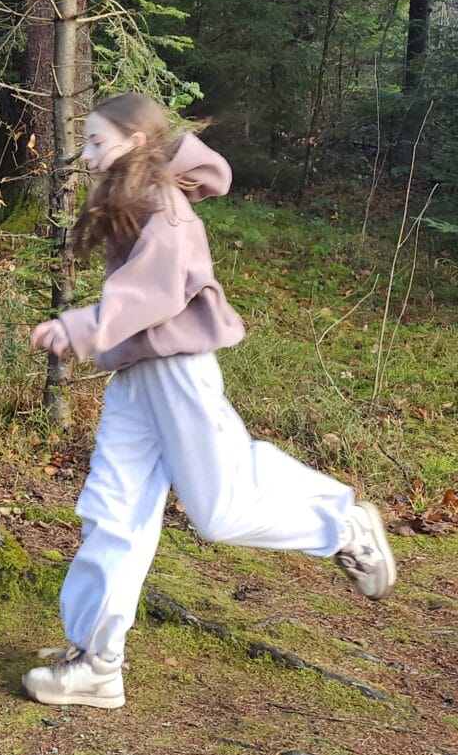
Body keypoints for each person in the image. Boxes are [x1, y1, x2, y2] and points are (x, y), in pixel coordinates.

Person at [22, 92, 398, 709]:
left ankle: (341, 523)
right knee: (113, 512)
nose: (86, 155)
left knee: (220, 510)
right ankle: (97, 662)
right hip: (137, 376)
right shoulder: (139, 201)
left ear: (135, 142)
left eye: (96, 141)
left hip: (176, 370)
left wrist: (79, 327)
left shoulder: (167, 208)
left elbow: (156, 292)